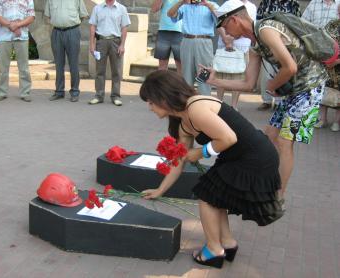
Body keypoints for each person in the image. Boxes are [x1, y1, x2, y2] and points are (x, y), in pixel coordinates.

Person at [140, 70, 283, 268]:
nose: (149, 107)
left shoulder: (196, 107)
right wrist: (160, 190)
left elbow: (228, 138)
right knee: (214, 196)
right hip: (238, 157)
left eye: (150, 102)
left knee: (206, 196)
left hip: (254, 158)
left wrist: (199, 153)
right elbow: (179, 161)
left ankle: (214, 251)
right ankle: (227, 243)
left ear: (162, 98)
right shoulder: (183, 124)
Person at [202, 0, 328, 201]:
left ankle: (277, 197)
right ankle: (267, 181)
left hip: (311, 87)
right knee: (270, 135)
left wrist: (272, 86)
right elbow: (248, 84)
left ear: (234, 19)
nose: (225, 32)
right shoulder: (254, 45)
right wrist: (215, 80)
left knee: (284, 142)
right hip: (292, 90)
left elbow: (290, 67)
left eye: (225, 26)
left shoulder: (267, 30)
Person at [256, 0, 301, 111]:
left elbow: (298, 22)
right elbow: (258, 20)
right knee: (267, 73)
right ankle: (266, 100)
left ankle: (279, 101)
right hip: (268, 42)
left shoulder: (293, 3)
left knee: (283, 71)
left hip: (286, 43)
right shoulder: (266, 2)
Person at [301, 0, 340, 129]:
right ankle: (322, 119)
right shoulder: (330, 23)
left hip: (338, 63)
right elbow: (304, 24)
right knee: (322, 88)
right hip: (323, 58)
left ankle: (337, 122)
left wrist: (336, 61)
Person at [168, 0, 218, 95]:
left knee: (205, 74)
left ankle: (204, 102)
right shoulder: (185, 5)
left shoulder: (212, 5)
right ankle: (187, 103)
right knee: (186, 75)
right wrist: (181, 2)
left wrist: (209, 5)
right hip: (187, 40)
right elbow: (170, 14)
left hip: (204, 41)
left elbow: (221, 20)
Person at [88, 0, 131, 106]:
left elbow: (124, 28)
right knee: (99, 71)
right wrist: (92, 44)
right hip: (101, 41)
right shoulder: (97, 8)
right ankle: (99, 95)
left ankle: (115, 96)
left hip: (115, 42)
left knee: (116, 70)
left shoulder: (122, 9)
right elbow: (93, 26)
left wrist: (122, 45)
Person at [44, 0, 88, 102]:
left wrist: (72, 24)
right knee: (58, 64)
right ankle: (59, 92)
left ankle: (75, 92)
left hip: (72, 31)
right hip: (56, 32)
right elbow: (48, 16)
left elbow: (83, 15)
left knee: (73, 64)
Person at [216, 0, 256, 110]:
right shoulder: (230, 3)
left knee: (240, 76)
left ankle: (234, 106)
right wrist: (226, 37)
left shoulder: (252, 7)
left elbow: (249, 25)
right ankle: (219, 103)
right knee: (221, 74)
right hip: (225, 45)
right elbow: (220, 22)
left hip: (243, 47)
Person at [0, 0, 35, 102]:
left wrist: (17, 25)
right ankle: (1, 92)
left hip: (22, 36)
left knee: (24, 67)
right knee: (3, 67)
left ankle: (25, 93)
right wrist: (10, 26)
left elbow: (31, 16)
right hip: (4, 36)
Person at [151, 0, 182, 74]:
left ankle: (180, 85)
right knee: (162, 67)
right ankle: (162, 85)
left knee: (181, 66)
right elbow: (154, 9)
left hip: (180, 32)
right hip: (163, 31)